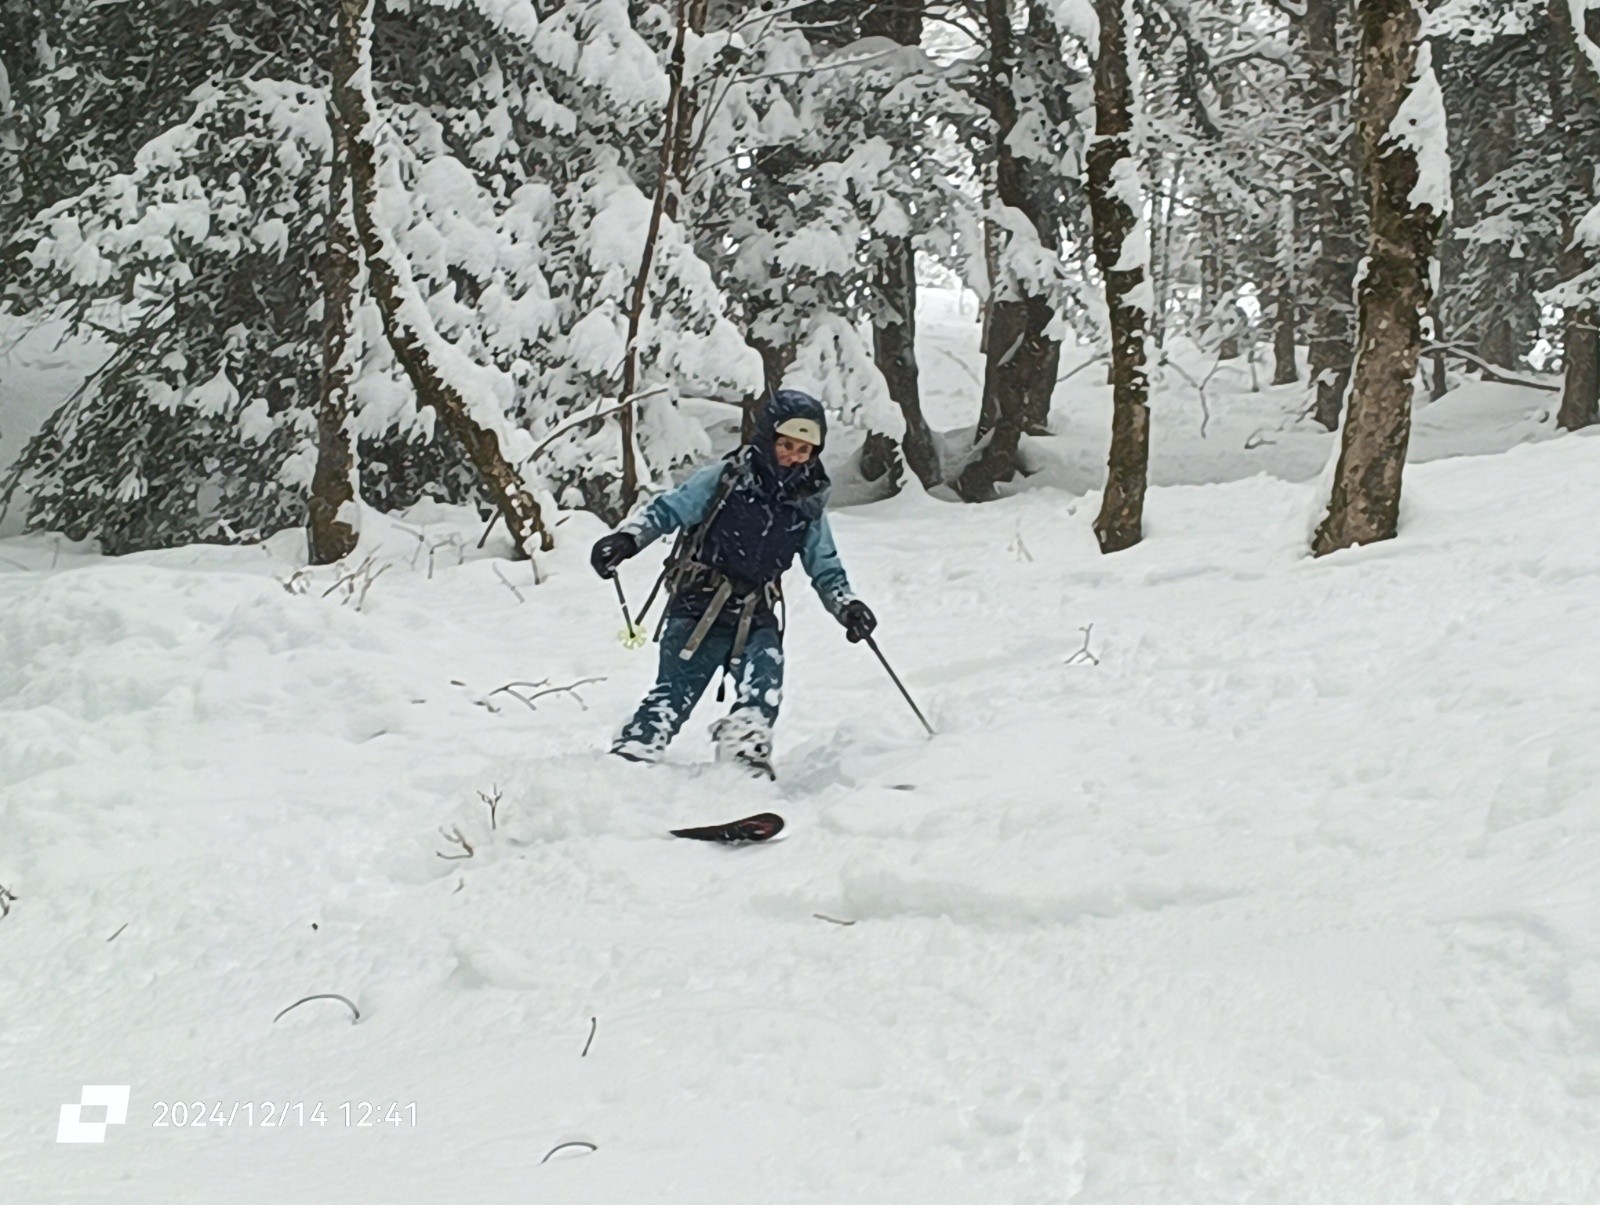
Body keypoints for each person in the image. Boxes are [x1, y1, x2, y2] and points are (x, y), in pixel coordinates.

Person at [590, 390, 876, 778]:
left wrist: (847, 606)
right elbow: (668, 509)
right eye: (786, 444)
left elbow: (823, 565)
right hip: (698, 607)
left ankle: (744, 758)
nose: (794, 456)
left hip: (754, 613)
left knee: (764, 685)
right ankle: (630, 758)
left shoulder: (806, 503)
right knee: (674, 693)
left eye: (805, 449)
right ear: (767, 439)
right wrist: (626, 540)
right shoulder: (727, 479)